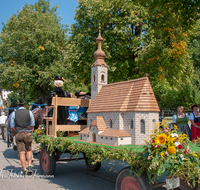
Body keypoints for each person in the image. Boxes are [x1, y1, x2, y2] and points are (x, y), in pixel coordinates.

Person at [10, 99, 35, 175]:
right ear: (24, 105)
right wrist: (31, 131)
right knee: (29, 150)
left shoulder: (14, 114)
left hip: (19, 133)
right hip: (28, 133)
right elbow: (32, 124)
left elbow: (12, 126)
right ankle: (30, 166)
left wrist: (17, 130)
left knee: (21, 153)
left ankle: (24, 170)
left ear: (18, 105)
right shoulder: (29, 112)